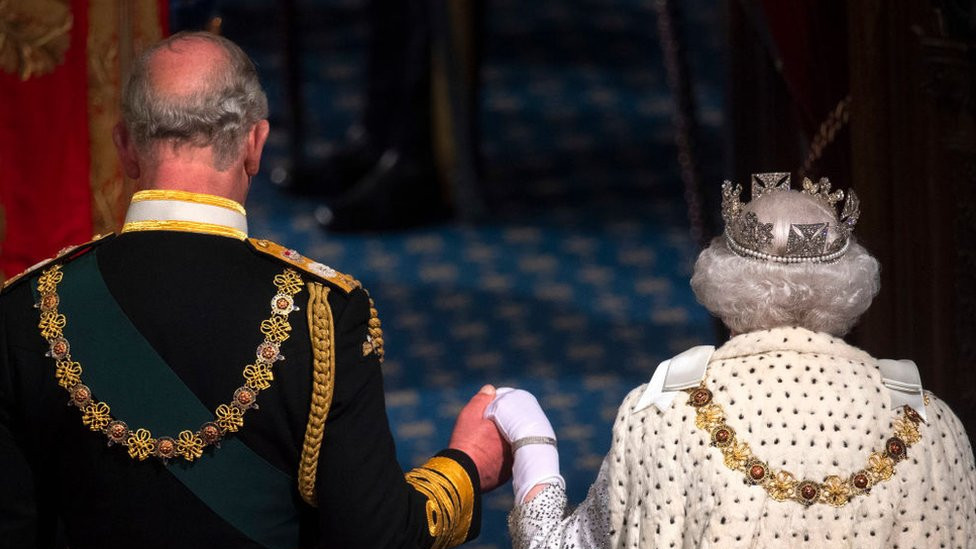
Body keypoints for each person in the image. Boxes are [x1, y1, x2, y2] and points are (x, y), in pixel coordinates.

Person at [0, 31, 507, 549]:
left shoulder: (25, 308)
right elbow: (377, 538)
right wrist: (466, 466)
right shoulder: (322, 317)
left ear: (126, 148)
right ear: (255, 144)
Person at [488, 173, 976, 548]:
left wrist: (532, 441)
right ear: (851, 281)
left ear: (721, 278)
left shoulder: (663, 414)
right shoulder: (930, 423)